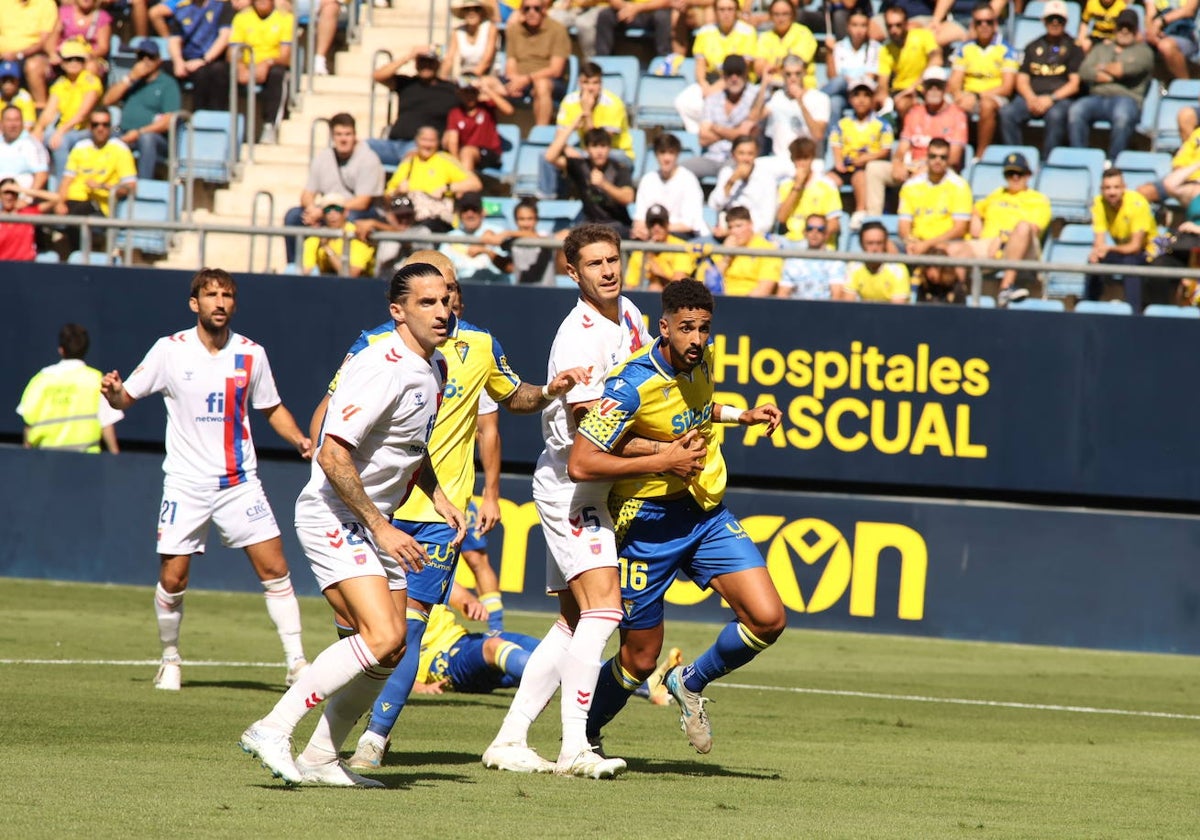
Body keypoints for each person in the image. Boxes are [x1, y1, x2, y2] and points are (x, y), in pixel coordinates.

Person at [300, 252, 589, 772]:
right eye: (433, 293)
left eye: (451, 290)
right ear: (406, 302)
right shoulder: (375, 345)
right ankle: (321, 738)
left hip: (439, 510)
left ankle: (374, 741)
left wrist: (549, 391)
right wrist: (321, 454)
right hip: (373, 506)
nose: (446, 301)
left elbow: (511, 399)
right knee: (362, 632)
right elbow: (330, 410)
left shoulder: (480, 344)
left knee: (407, 630)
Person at [239, 262, 463, 788]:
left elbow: (407, 447)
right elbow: (333, 454)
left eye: (446, 300)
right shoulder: (379, 365)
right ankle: (272, 728)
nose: (441, 311)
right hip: (333, 512)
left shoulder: (434, 368)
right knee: (381, 633)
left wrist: (437, 494)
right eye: (427, 303)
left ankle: (320, 756)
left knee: (395, 646)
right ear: (397, 311)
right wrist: (381, 529)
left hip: (371, 518)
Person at [484, 223, 683, 779]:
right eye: (595, 263)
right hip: (572, 483)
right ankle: (575, 745)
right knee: (605, 609)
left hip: (597, 482)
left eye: (614, 259)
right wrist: (664, 450)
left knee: (574, 619)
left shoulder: (633, 317)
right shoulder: (578, 335)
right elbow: (591, 428)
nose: (609, 270)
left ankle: (509, 739)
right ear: (573, 273)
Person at [569, 278, 785, 757]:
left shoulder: (701, 360)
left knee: (768, 619)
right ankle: (582, 738)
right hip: (646, 523)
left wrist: (740, 415)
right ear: (663, 328)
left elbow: (698, 409)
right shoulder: (630, 384)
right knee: (640, 657)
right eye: (687, 329)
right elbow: (581, 462)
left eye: (705, 329)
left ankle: (690, 681)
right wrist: (661, 461)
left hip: (704, 511)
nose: (697, 339)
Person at [99, 268, 312, 694]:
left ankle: (297, 664)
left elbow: (271, 408)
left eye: (227, 295)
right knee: (174, 578)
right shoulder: (169, 350)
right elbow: (128, 397)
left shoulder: (252, 354)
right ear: (194, 303)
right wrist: (112, 393)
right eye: (211, 295)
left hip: (239, 482)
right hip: (185, 483)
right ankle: (170, 659)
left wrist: (301, 440)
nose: (220, 302)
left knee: (275, 568)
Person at [946, 152, 1050, 306]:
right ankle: (958, 296)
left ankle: (1006, 288)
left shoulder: (1038, 200)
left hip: (1022, 248)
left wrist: (1002, 241)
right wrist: (975, 219)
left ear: (1028, 175)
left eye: (1019, 173)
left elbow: (1032, 230)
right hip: (989, 244)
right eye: (1010, 173)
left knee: (1023, 227)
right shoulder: (997, 194)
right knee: (954, 249)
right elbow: (976, 209)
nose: (1015, 178)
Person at [283, 112, 384, 266]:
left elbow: (363, 202)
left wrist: (325, 210)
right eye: (338, 134)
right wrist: (312, 209)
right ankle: (295, 266)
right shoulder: (324, 157)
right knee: (294, 216)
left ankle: (349, 266)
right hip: (327, 209)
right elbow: (307, 194)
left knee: (351, 218)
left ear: (355, 135)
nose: (343, 139)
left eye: (347, 134)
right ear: (332, 136)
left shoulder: (368, 159)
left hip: (356, 211)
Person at [864, 66, 966, 217]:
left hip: (940, 168)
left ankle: (909, 220)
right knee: (874, 169)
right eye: (929, 85)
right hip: (911, 166)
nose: (933, 90)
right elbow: (902, 147)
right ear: (923, 88)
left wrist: (926, 167)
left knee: (920, 179)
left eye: (938, 86)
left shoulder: (957, 115)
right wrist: (898, 163)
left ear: (946, 88)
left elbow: (954, 157)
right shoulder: (915, 112)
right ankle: (874, 220)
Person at [17, 323, 122, 453]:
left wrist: (27, 459)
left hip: (45, 460)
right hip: (88, 463)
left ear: (61, 350)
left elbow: (28, 424)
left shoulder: (40, 380)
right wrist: (115, 460)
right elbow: (107, 424)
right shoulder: (95, 379)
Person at [997, 1, 1083, 158]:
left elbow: (1074, 84)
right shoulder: (1032, 46)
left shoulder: (1074, 48)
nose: (1055, 23)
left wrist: (1051, 98)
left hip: (1058, 99)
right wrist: (1031, 98)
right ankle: (1016, 158)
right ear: (1044, 21)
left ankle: (1048, 160)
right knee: (1007, 113)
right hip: (1032, 97)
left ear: (1066, 22)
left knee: (1056, 116)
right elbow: (1021, 79)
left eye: (1059, 19)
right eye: (1051, 19)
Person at [1068, 9, 1154, 163]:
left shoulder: (1144, 51)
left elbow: (1123, 70)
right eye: (1121, 26)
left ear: (1136, 30)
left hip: (1127, 98)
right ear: (1115, 28)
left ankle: (1113, 162)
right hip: (1096, 98)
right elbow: (1084, 71)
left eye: (1129, 27)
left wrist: (1101, 68)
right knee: (1076, 110)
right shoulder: (1101, 48)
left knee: (1122, 116)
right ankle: (1079, 158)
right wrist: (1110, 71)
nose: (1124, 31)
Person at [55, 107, 137, 252]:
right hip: (72, 201)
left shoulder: (120, 149)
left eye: (105, 125)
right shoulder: (80, 147)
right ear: (89, 127)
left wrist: (102, 186)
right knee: (36, 211)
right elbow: (66, 180)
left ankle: (77, 256)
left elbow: (131, 186)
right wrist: (60, 202)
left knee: (76, 215)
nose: (100, 129)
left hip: (99, 205)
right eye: (95, 125)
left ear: (110, 127)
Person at [101, 40, 182, 181]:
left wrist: (139, 133)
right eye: (141, 56)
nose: (145, 61)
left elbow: (168, 121)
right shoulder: (133, 81)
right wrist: (130, 78)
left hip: (154, 137)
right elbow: (107, 101)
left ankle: (145, 186)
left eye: (150, 57)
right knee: (103, 134)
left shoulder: (168, 84)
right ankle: (102, 184)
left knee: (147, 139)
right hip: (124, 131)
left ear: (159, 60)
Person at [946, 3, 1017, 162]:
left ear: (995, 24)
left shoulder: (1006, 50)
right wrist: (959, 95)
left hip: (993, 95)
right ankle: (949, 153)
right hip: (968, 94)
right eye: (979, 22)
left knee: (986, 105)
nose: (984, 26)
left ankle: (980, 154)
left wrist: (977, 96)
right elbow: (955, 81)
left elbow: (1006, 88)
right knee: (944, 102)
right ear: (973, 25)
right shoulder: (965, 48)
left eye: (989, 22)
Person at [674, 0, 758, 134]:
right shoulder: (705, 32)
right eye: (722, 9)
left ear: (736, 12)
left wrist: (714, 90)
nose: (726, 14)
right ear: (715, 12)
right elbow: (700, 65)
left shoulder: (747, 32)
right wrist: (704, 85)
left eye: (730, 9)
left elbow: (742, 68)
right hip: (710, 80)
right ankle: (699, 136)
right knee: (683, 101)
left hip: (737, 83)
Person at [369, 47, 460, 167]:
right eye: (422, 61)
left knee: (413, 157)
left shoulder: (451, 90)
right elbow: (378, 76)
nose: (426, 66)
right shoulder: (407, 83)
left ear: (437, 64)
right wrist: (408, 56)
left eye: (430, 62)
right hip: (392, 144)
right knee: (357, 147)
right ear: (416, 64)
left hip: (419, 146)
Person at [385, 125, 483, 233]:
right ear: (417, 141)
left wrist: (447, 188)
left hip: (438, 221)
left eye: (431, 141)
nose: (427, 145)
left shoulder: (444, 160)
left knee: (423, 231)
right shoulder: (408, 162)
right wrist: (398, 190)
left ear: (438, 142)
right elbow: (387, 196)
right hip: (409, 219)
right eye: (424, 140)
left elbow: (475, 183)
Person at [682, 55, 763, 181]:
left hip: (737, 159)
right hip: (712, 157)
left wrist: (716, 128)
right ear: (723, 76)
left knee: (727, 173)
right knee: (680, 171)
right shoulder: (713, 99)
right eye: (730, 74)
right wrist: (735, 132)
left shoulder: (754, 96)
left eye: (738, 73)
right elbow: (703, 138)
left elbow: (748, 136)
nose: (734, 78)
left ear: (745, 74)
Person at [545, 125, 634, 238]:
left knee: (597, 240)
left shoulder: (620, 169)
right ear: (587, 149)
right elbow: (550, 157)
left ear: (609, 148)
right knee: (561, 238)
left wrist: (604, 184)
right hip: (589, 224)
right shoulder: (581, 166)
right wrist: (573, 125)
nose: (599, 151)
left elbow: (628, 198)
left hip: (617, 225)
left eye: (603, 146)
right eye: (594, 146)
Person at [1087, 167, 1156, 311]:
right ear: (1101, 189)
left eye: (1116, 187)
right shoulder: (1099, 203)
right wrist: (1097, 252)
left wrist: (1108, 248)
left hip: (1150, 251)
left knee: (1130, 263)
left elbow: (1136, 246)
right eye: (1107, 188)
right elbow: (1099, 240)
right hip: (1124, 250)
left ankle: (1134, 313)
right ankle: (1088, 306)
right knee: (1094, 260)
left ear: (1124, 188)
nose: (1112, 192)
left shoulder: (1138, 203)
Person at [32, 41, 104, 178]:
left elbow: (82, 115)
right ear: (63, 63)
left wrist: (61, 131)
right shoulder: (61, 83)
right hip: (63, 129)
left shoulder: (91, 81)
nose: (74, 62)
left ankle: (62, 188)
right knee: (33, 142)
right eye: (69, 59)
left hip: (84, 130)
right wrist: (38, 129)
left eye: (78, 59)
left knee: (61, 142)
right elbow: (49, 111)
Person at [830, 77, 893, 226]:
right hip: (846, 166)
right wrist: (838, 162)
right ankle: (831, 214)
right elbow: (836, 143)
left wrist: (865, 159)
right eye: (857, 95)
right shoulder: (842, 124)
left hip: (865, 167)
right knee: (828, 180)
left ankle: (860, 211)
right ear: (850, 99)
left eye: (866, 95)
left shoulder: (881, 125)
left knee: (859, 176)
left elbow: (885, 150)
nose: (861, 100)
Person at [228, 0, 293, 145]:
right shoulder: (242, 18)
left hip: (273, 64)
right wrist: (241, 68)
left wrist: (267, 63)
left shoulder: (285, 18)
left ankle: (270, 125)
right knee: (216, 72)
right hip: (246, 65)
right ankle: (218, 124)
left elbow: (285, 55)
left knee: (278, 74)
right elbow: (232, 50)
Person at [897, 137, 972, 258]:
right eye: (933, 156)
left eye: (943, 157)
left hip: (945, 243)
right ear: (927, 157)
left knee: (951, 250)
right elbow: (903, 225)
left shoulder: (960, 186)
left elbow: (959, 229)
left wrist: (927, 244)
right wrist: (910, 241)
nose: (938, 161)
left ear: (948, 160)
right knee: (889, 246)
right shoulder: (911, 186)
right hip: (916, 242)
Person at [498, 0, 570, 126]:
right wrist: (515, 81)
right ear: (521, 11)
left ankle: (540, 134)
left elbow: (556, 70)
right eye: (527, 9)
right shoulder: (514, 30)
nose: (531, 12)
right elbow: (510, 64)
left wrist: (526, 79)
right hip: (519, 79)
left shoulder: (558, 30)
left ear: (544, 10)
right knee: (484, 84)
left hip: (549, 80)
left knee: (541, 85)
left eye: (536, 8)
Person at [631, 132, 709, 241]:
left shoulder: (688, 180)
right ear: (656, 155)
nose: (666, 158)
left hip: (684, 236)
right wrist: (642, 230)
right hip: (653, 234)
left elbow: (688, 224)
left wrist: (658, 231)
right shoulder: (648, 179)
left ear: (677, 155)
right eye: (662, 153)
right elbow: (639, 218)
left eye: (671, 153)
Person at [876, 4, 943, 120]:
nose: (894, 30)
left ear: (906, 24)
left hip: (923, 87)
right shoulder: (886, 49)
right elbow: (883, 82)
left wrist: (913, 86)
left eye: (898, 25)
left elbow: (937, 59)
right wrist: (884, 99)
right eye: (890, 26)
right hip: (899, 90)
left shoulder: (922, 35)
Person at [167, 0, 235, 112]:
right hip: (187, 59)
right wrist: (178, 62)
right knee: (162, 69)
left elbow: (224, 37)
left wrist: (204, 60)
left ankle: (201, 118)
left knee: (208, 72)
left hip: (212, 59)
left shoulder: (222, 7)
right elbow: (174, 40)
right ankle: (166, 117)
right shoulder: (181, 9)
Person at [777, 137, 843, 247]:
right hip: (790, 240)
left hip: (817, 243)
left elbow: (834, 223)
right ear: (792, 160)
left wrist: (814, 238)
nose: (802, 164)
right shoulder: (785, 185)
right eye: (798, 159)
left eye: (805, 158)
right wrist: (797, 186)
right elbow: (781, 218)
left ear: (812, 158)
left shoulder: (826, 185)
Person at [702, 204, 780, 296]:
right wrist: (726, 258)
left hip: (751, 302)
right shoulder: (725, 247)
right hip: (722, 300)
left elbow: (764, 289)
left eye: (739, 226)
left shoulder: (766, 248)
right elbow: (709, 283)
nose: (734, 231)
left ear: (751, 224)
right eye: (730, 227)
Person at [762, 55, 831, 157]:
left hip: (808, 161)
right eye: (788, 74)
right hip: (781, 160)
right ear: (782, 75)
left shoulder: (820, 98)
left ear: (804, 73)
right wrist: (763, 85)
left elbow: (818, 134)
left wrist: (801, 102)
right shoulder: (778, 97)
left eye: (797, 74)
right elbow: (753, 118)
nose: (793, 78)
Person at [444, 75, 513, 175]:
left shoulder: (486, 106)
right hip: (465, 155)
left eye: (472, 92)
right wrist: (456, 163)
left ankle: (465, 185)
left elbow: (509, 110)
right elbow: (452, 141)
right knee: (448, 144)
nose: (469, 96)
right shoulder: (455, 113)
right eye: (465, 93)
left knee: (467, 151)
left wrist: (486, 89)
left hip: (489, 154)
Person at [481, 195, 556, 284]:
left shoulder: (544, 235)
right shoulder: (513, 241)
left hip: (546, 293)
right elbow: (509, 267)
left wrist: (508, 233)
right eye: (521, 219)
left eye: (530, 219)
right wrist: (487, 248)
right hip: (521, 292)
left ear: (536, 219)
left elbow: (537, 237)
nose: (526, 224)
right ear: (516, 220)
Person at [823, 7, 879, 123]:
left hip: (862, 93)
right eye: (855, 25)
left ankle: (815, 99)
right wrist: (829, 53)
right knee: (835, 103)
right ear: (848, 27)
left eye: (863, 25)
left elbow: (869, 78)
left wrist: (849, 81)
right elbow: (833, 78)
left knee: (841, 82)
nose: (859, 30)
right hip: (844, 94)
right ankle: (831, 139)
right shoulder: (839, 47)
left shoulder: (875, 48)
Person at [357, 194, 433, 280]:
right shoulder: (382, 230)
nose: (404, 220)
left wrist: (375, 224)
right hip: (383, 281)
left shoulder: (422, 231)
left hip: (412, 283)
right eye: (399, 216)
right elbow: (359, 225)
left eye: (408, 215)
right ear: (390, 216)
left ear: (414, 214)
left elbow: (406, 238)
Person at [624, 204, 698, 289]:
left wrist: (659, 272)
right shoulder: (639, 252)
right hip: (644, 297)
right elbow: (630, 286)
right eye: (652, 223)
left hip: (675, 298)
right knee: (653, 285)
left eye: (661, 223)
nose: (656, 228)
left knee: (655, 286)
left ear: (667, 224)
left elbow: (680, 286)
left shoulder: (680, 247)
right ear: (647, 226)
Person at [439, 190, 508, 283]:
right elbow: (441, 269)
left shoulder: (499, 233)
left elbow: (508, 267)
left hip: (494, 288)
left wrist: (485, 250)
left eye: (474, 209)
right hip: (462, 289)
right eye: (465, 210)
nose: (470, 214)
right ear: (459, 213)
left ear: (482, 212)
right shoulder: (451, 237)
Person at [301, 192, 376, 277]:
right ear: (322, 214)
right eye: (327, 210)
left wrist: (327, 248)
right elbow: (306, 273)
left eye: (337, 209)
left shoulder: (356, 234)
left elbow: (351, 275)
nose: (332, 214)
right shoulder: (316, 238)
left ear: (346, 212)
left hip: (362, 285)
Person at [0, 0, 57, 109]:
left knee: (33, 66)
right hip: (3, 55)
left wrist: (18, 54)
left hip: (32, 54)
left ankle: (40, 109)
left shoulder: (46, 3)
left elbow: (44, 41)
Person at [838, 221, 911, 303]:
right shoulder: (854, 266)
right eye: (870, 243)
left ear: (885, 244)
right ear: (861, 244)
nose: (875, 248)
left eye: (879, 243)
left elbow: (897, 311)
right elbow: (848, 305)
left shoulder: (898, 270)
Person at [778, 213, 846, 300]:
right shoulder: (793, 260)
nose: (814, 232)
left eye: (820, 229)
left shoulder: (835, 261)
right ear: (805, 232)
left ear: (826, 234)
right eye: (810, 228)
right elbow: (782, 295)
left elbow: (837, 297)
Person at [754, 0, 818, 91]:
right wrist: (782, 64)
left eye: (785, 14)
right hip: (771, 86)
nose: (780, 18)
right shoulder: (765, 37)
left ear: (793, 15)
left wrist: (772, 66)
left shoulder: (804, 33)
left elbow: (794, 65)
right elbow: (759, 68)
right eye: (776, 14)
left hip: (802, 88)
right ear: (770, 16)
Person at [594, 0, 672, 59]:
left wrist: (636, 8)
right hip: (625, 10)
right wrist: (626, 8)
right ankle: (602, 62)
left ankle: (664, 60)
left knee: (662, 17)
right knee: (605, 15)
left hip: (652, 10)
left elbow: (667, 1)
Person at [56, 0, 112, 80]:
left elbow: (103, 47)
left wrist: (83, 56)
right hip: (64, 55)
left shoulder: (102, 17)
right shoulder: (63, 12)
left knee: (91, 67)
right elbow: (53, 37)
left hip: (90, 57)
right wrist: (54, 54)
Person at [1146, 0, 1198, 81]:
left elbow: (1189, 10)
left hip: (1188, 36)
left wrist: (1160, 21)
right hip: (1161, 34)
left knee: (1166, 46)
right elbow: (1150, 15)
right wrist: (1152, 33)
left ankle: (1186, 87)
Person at [444, 0, 499, 77]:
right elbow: (449, 59)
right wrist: (441, 79)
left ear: (482, 12)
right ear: (463, 13)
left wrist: (471, 78)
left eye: (476, 9)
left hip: (486, 76)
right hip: (463, 76)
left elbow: (487, 60)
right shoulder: (457, 32)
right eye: (467, 9)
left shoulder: (490, 28)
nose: (471, 12)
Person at [0, 104, 49, 190]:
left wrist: (26, 199)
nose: (13, 124)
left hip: (22, 198)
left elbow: (41, 175)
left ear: (22, 123)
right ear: (1, 123)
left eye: (16, 120)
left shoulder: (32, 145)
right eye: (9, 120)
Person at [0, 176, 40, 260]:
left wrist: (21, 190)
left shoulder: (27, 213)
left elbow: (56, 199)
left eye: (13, 193)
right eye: (6, 192)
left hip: (26, 266)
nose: (9, 197)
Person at [0, 61, 36, 130]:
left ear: (18, 81)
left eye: (11, 80)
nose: (8, 84)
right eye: (4, 80)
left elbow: (28, 126)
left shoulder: (24, 98)